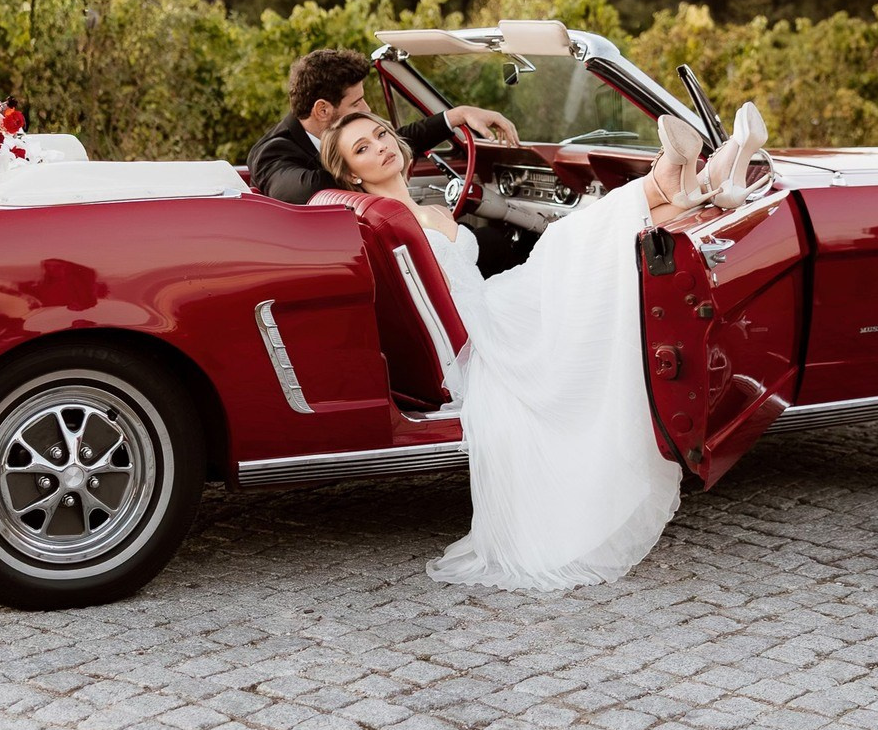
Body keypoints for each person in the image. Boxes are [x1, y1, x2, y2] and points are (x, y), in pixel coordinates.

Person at [320, 101, 767, 591]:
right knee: (569, 243)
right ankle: (696, 177)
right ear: (351, 173)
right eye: (363, 149)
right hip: (486, 329)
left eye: (381, 135)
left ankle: (700, 184)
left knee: (587, 244)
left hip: (490, 300)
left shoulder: (417, 208)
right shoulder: (396, 216)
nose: (381, 147)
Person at [247, 49, 519, 204]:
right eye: (356, 103)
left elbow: (389, 143)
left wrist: (456, 116)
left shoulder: (347, 137)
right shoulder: (274, 152)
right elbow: (302, 191)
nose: (366, 110)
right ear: (322, 110)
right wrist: (361, 169)